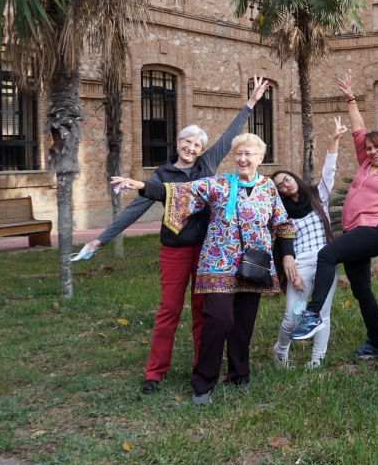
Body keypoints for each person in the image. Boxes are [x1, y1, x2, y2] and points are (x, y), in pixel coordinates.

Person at [89, 77, 269, 395]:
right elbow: (134, 211)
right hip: (174, 250)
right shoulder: (162, 175)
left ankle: (203, 369)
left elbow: (229, 138)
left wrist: (251, 104)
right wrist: (102, 238)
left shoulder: (207, 164)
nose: (192, 148)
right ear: (177, 143)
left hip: (206, 252)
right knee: (168, 311)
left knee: (204, 311)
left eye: (197, 145)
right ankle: (154, 374)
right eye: (187, 143)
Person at [111, 133, 294, 405]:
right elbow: (181, 192)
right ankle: (202, 383)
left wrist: (288, 257)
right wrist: (143, 186)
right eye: (239, 154)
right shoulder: (219, 184)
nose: (243, 159)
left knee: (243, 324)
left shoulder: (268, 188)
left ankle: (239, 375)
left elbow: (282, 224)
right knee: (219, 319)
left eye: (249, 154)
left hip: (254, 265)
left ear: (260, 158)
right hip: (218, 265)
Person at [290, 72, 378, 358]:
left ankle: (313, 313)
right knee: (361, 291)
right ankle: (376, 343)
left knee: (327, 255)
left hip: (375, 230)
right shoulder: (366, 165)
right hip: (355, 233)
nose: (373, 150)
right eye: (369, 147)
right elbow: (359, 130)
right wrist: (351, 98)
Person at [270, 117, 347, 368]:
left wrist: (334, 140)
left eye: (287, 178)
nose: (286, 183)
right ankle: (280, 351)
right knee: (293, 317)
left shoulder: (318, 196)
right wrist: (290, 269)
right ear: (279, 192)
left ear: (294, 177)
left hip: (327, 260)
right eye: (280, 184)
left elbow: (329, 171)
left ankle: (317, 361)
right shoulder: (281, 213)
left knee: (322, 314)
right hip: (300, 263)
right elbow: (283, 240)